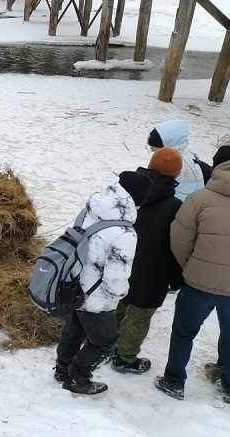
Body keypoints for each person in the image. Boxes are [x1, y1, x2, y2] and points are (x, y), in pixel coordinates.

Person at [154, 145, 230, 406]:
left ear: (217, 166)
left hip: (199, 282)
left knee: (184, 332)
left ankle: (174, 381)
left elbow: (179, 239)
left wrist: (190, 267)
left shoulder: (199, 198)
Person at [54, 170, 150, 398]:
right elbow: (115, 279)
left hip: (74, 287)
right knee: (104, 342)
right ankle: (78, 378)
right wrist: (120, 295)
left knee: (73, 331)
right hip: (97, 298)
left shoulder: (91, 210)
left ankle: (62, 369)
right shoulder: (124, 232)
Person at [112, 148, 184, 375]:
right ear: (176, 174)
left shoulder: (129, 191)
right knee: (139, 315)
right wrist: (176, 277)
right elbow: (175, 245)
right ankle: (125, 358)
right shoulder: (174, 206)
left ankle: (103, 343)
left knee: (117, 303)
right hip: (153, 269)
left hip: (121, 259)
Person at [147, 119, 205, 201]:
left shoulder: (177, 164)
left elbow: (182, 196)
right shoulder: (183, 155)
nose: (151, 150)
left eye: (154, 147)